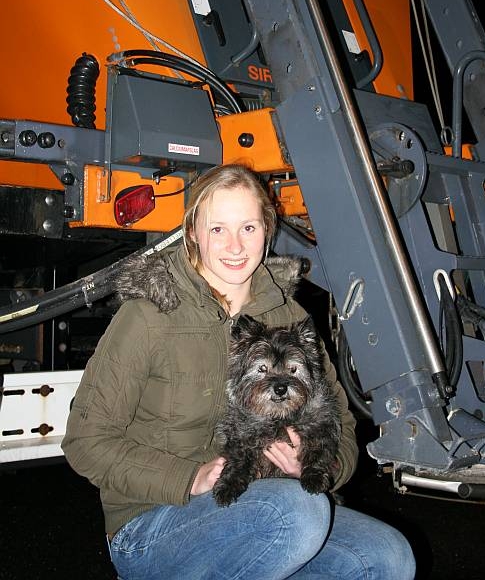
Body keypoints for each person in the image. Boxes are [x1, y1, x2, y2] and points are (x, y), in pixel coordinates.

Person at [62, 163, 416, 580]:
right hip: (154, 520)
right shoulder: (149, 316)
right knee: (297, 516)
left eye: (248, 227)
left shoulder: (289, 315)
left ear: (268, 228)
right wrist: (188, 477)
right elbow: (85, 441)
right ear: (192, 232)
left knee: (389, 558)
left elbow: (339, 419)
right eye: (218, 229)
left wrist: (318, 467)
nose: (234, 246)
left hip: (268, 502)